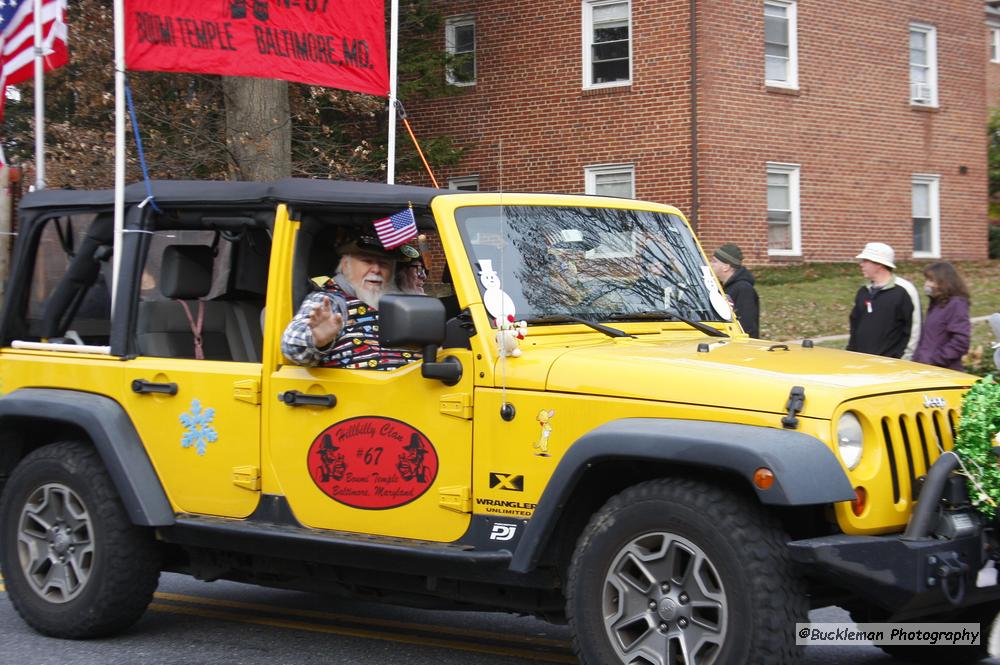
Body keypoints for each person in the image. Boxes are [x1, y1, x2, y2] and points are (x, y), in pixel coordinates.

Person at [281, 232, 420, 370]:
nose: (376, 269)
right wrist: (317, 339)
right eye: (367, 261)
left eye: (384, 263)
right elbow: (291, 346)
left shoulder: (400, 305)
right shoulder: (330, 301)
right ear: (345, 265)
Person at [847, 242, 913, 358]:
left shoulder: (901, 293)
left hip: (888, 364)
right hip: (860, 361)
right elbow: (855, 326)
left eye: (865, 261)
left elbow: (910, 329)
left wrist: (902, 357)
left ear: (879, 264)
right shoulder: (863, 292)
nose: (861, 265)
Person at [912, 262, 971, 371]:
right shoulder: (936, 304)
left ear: (944, 282)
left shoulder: (957, 304)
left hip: (943, 371)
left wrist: (935, 360)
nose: (927, 284)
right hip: (925, 368)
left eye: (931, 280)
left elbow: (961, 341)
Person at [709, 244, 759, 338]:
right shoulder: (723, 288)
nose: (711, 264)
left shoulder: (744, 289)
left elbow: (747, 327)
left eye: (714, 261)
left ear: (726, 267)